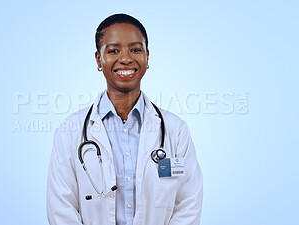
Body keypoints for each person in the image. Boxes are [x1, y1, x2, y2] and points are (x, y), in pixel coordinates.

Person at [46, 13, 203, 225]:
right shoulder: (70, 131)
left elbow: (189, 203)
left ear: (147, 57)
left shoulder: (176, 130)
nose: (126, 58)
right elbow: (60, 208)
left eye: (136, 49)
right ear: (98, 59)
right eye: (113, 50)